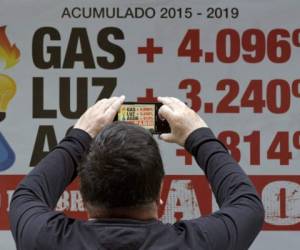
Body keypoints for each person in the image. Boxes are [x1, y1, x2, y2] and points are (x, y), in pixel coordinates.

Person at [9, 96, 265, 250]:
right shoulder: (196, 245)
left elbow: (27, 195)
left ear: (83, 195)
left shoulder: (47, 240)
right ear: (159, 195)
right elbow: (246, 205)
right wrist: (198, 136)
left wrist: (79, 137)